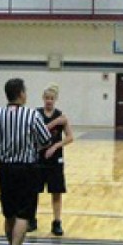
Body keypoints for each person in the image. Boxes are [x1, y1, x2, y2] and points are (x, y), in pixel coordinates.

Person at [0, 78, 52, 245]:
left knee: (9, 213)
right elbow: (46, 140)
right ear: (21, 93)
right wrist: (31, 146)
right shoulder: (32, 115)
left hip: (4, 168)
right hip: (26, 168)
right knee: (24, 213)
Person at [32, 84, 73, 236]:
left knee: (56, 191)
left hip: (55, 159)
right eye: (47, 98)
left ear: (55, 99)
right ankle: (32, 220)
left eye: (52, 98)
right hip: (37, 157)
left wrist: (56, 146)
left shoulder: (61, 115)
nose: (49, 101)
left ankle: (56, 222)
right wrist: (55, 123)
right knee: (34, 191)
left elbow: (70, 137)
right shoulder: (35, 114)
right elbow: (37, 132)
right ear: (43, 99)